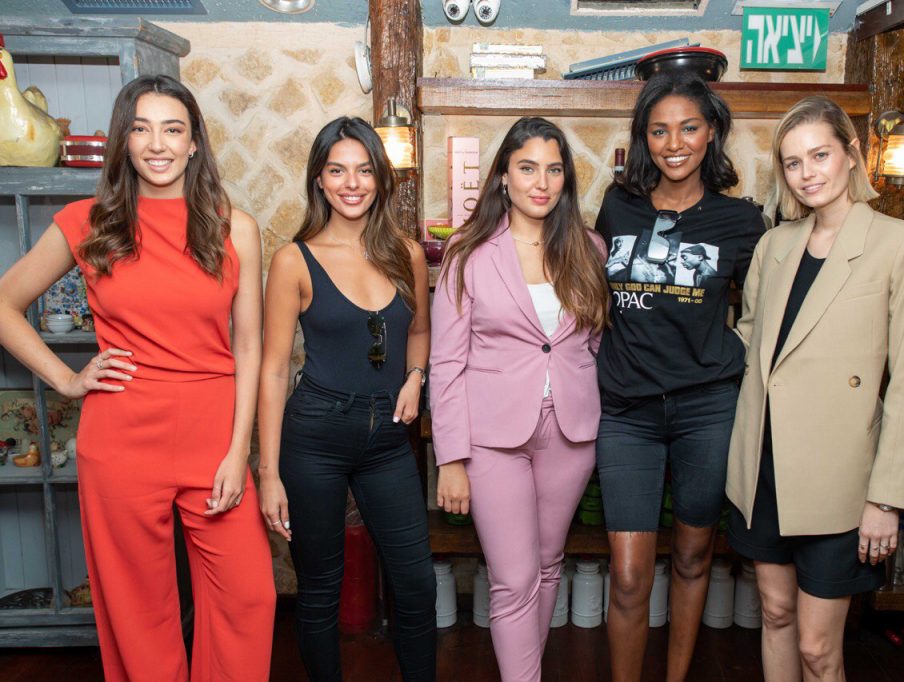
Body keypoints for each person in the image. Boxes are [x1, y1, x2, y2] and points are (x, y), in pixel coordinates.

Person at [0, 75, 275, 681]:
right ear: (123, 140)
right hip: (121, 436)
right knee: (138, 611)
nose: (157, 144)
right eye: (142, 129)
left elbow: (249, 346)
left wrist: (240, 452)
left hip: (212, 437)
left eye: (173, 129)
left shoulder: (235, 227)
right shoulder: (87, 221)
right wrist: (66, 380)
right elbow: (4, 304)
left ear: (194, 142)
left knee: (249, 596)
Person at [726, 95, 904, 681]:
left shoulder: (903, 244)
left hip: (840, 483)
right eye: (793, 162)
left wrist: (885, 499)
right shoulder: (775, 245)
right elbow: (751, 345)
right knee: (774, 614)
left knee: (819, 649)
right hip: (764, 467)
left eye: (820, 155)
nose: (807, 173)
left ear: (851, 153)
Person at [594, 74, 765, 682]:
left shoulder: (740, 222)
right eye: (659, 130)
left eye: (689, 128)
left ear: (711, 132)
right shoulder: (617, 206)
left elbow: (765, 311)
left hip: (707, 410)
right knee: (629, 575)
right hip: (626, 410)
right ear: (644, 137)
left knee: (693, 557)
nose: (674, 143)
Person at [430, 117, 608, 682]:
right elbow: (446, 362)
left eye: (554, 170)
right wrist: (451, 459)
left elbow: (592, 343)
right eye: (527, 168)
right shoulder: (468, 252)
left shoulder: (589, 249)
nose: (541, 182)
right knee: (513, 579)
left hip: (570, 434)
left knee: (549, 565)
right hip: (493, 438)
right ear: (503, 177)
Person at [257, 116, 435, 682]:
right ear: (319, 179)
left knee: (416, 584)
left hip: (388, 441)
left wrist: (415, 377)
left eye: (363, 170)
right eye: (337, 171)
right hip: (315, 438)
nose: (351, 183)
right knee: (320, 590)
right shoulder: (294, 260)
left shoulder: (406, 254)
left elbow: (420, 331)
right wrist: (268, 472)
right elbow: (272, 368)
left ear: (381, 178)